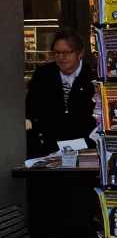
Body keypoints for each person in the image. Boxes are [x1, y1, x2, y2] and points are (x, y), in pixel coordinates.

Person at [25, 28, 96, 158]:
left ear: (80, 53)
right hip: (49, 151)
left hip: (86, 151)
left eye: (65, 53)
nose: (60, 58)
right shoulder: (43, 74)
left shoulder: (94, 76)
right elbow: (32, 109)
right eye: (56, 53)